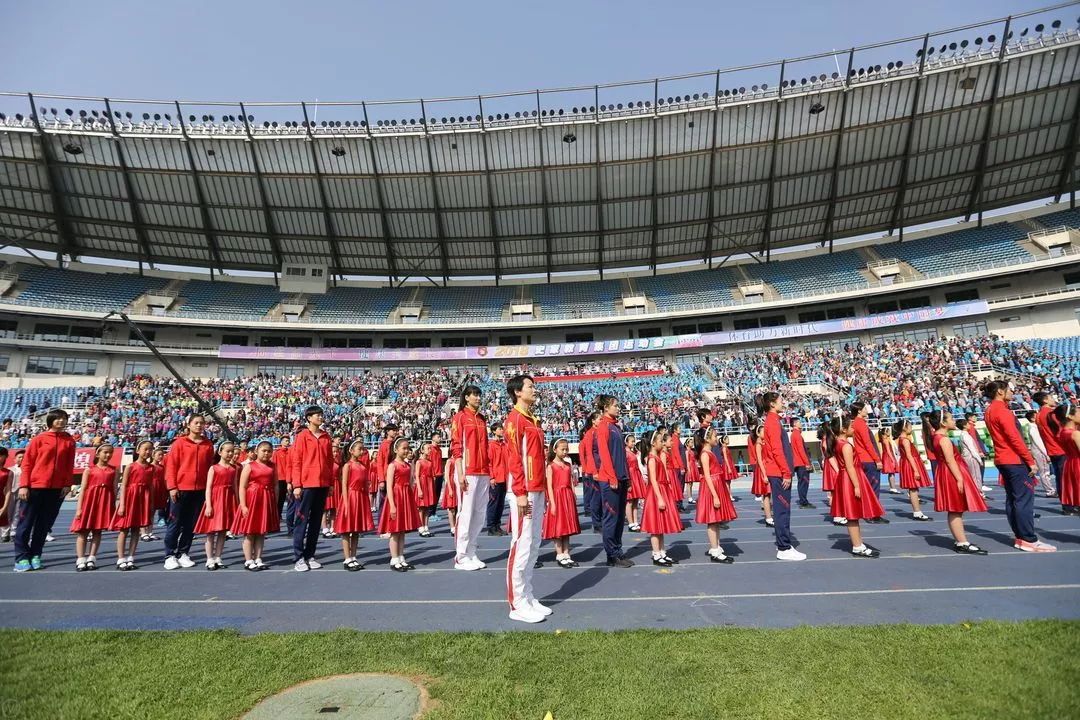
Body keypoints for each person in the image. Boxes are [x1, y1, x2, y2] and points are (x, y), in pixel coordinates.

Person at [982, 380, 1056, 552]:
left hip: (1003, 460)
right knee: (1024, 500)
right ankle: (1028, 538)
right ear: (1000, 391)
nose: (1011, 392)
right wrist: (1029, 460)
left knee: (1013, 499)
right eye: (1008, 390)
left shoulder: (989, 410)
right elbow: (1014, 438)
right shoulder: (1003, 411)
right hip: (1014, 460)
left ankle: (1021, 537)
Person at [504, 374, 550, 624]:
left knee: (534, 544)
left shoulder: (533, 419)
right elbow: (513, 458)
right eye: (530, 386)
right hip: (525, 490)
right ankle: (517, 603)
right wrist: (520, 493)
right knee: (521, 544)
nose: (535, 389)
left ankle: (529, 596)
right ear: (518, 392)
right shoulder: (515, 420)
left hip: (538, 487)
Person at [14, 409, 75, 572]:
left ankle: (35, 555)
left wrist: (67, 484)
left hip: (56, 489)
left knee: (44, 525)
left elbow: (69, 465)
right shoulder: (39, 439)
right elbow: (27, 463)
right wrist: (24, 485)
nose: (61, 421)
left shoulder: (69, 441)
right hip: (34, 487)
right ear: (50, 420)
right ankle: (21, 557)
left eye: (64, 418)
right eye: (58, 418)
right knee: (25, 524)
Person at [929, 411, 989, 554]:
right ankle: (962, 542)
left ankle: (961, 541)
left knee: (955, 509)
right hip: (951, 474)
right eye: (951, 418)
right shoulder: (943, 439)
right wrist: (959, 479)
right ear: (943, 422)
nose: (954, 421)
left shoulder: (937, 437)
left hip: (947, 472)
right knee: (956, 509)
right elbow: (950, 460)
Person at [163, 414, 215, 570]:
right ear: (189, 425)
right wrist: (172, 487)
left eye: (202, 423)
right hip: (181, 489)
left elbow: (210, 467)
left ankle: (183, 552)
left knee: (190, 524)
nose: (199, 425)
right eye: (196, 423)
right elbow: (171, 466)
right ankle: (169, 555)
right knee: (175, 523)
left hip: (199, 490)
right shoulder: (180, 443)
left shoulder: (208, 444)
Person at [828, 416, 884, 557]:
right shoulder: (845, 445)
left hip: (846, 479)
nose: (854, 429)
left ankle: (858, 543)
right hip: (849, 480)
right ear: (843, 429)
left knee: (854, 515)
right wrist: (857, 486)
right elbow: (849, 467)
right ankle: (857, 546)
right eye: (851, 427)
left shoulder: (839, 443)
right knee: (852, 516)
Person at [759, 392, 805, 561]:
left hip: (779, 472)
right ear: (772, 404)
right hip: (779, 473)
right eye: (780, 401)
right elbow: (777, 451)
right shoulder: (772, 422)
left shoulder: (773, 421)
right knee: (782, 510)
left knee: (783, 509)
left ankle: (785, 544)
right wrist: (786, 473)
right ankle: (783, 547)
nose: (783, 403)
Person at [450, 385, 491, 571]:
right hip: (467, 471)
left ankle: (472, 552)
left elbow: (486, 447)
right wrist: (460, 472)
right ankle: (460, 556)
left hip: (483, 471)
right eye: (474, 394)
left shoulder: (482, 419)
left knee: (479, 514)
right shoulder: (460, 417)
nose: (477, 397)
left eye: (478, 394)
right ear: (466, 397)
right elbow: (456, 446)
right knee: (466, 514)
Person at [290, 406, 335, 572]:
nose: (321, 417)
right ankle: (299, 557)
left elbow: (330, 462)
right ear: (309, 418)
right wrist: (297, 485)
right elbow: (297, 461)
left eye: (322, 415)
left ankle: (310, 555)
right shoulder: (302, 436)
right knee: (301, 521)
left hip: (322, 484)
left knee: (316, 522)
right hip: (306, 485)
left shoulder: (325, 436)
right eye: (318, 415)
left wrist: (330, 483)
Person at [593, 394, 634, 568]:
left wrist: (626, 476)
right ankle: (612, 554)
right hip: (611, 479)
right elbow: (604, 454)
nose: (618, 408)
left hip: (621, 477)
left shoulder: (615, 427)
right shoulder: (603, 427)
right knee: (611, 518)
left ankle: (618, 550)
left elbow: (621, 456)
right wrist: (611, 477)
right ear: (606, 408)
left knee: (619, 519)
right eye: (615, 405)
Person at [70, 443, 119, 571]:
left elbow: (114, 489)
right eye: (105, 452)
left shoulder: (113, 470)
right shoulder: (89, 470)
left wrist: (113, 506)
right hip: (89, 502)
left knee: (97, 531)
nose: (108, 455)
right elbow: (84, 489)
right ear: (98, 454)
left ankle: (92, 557)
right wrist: (79, 508)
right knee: (83, 531)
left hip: (104, 503)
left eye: (110, 452)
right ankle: (80, 559)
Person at [230, 441, 279, 570]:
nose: (266, 453)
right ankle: (248, 560)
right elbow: (242, 486)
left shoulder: (273, 466)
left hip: (266, 499)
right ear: (257, 451)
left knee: (261, 532)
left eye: (269, 451)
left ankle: (258, 557)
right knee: (249, 532)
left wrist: (274, 501)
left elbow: (275, 485)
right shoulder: (249, 466)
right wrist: (243, 505)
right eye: (264, 450)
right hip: (252, 499)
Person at [110, 440, 155, 571]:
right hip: (130, 498)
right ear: (138, 450)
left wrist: (151, 503)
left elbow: (151, 486)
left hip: (142, 500)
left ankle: (131, 557)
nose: (148, 452)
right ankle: (121, 558)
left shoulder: (151, 468)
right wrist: (122, 503)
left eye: (150, 449)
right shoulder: (131, 466)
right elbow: (123, 485)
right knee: (124, 529)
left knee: (136, 530)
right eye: (145, 449)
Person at [194, 441, 239, 571]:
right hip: (215, 500)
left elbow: (235, 487)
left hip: (228, 501)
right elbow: (208, 488)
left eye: (232, 451)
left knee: (223, 531)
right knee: (210, 532)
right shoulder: (213, 468)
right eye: (227, 451)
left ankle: (218, 557)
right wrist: (208, 505)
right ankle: (209, 558)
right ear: (220, 452)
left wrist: (237, 503)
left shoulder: (233, 469)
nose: (230, 454)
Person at [641, 428, 682, 566]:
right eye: (659, 440)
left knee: (661, 525)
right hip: (656, 492)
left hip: (662, 489)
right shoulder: (652, 459)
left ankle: (662, 552)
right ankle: (656, 554)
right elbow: (653, 480)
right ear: (653, 443)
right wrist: (659, 497)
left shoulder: (657, 456)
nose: (661, 442)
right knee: (655, 527)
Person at [379, 437, 421, 572]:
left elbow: (410, 482)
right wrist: (392, 504)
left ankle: (401, 556)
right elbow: (389, 487)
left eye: (408, 448)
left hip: (405, 498)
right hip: (396, 498)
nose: (406, 450)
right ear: (396, 450)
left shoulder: (407, 465)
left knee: (402, 531)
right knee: (395, 531)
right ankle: (394, 558)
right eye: (403, 448)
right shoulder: (392, 465)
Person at [696, 426, 736, 563]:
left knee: (716, 521)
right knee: (712, 521)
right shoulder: (705, 454)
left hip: (717, 485)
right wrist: (715, 495)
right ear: (707, 439)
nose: (716, 438)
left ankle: (717, 547)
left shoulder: (710, 452)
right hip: (711, 488)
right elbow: (706, 476)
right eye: (714, 436)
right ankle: (714, 550)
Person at [542, 438, 580, 568]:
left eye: (566, 449)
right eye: (562, 449)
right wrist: (552, 503)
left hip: (567, 497)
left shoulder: (568, 465)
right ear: (555, 450)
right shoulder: (551, 466)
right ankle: (559, 554)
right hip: (557, 497)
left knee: (567, 527)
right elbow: (549, 486)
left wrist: (573, 494)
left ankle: (566, 553)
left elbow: (570, 482)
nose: (565, 452)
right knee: (558, 526)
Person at [336, 440, 373, 570]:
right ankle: (347, 559)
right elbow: (344, 485)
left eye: (363, 449)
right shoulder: (348, 466)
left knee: (356, 530)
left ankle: (354, 557)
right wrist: (345, 503)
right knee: (347, 530)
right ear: (351, 451)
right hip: (351, 497)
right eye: (359, 449)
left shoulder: (363, 465)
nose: (362, 451)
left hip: (361, 498)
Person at [849, 401, 885, 518]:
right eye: (864, 408)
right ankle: (873, 514)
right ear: (859, 411)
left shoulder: (855, 424)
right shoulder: (861, 424)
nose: (866, 410)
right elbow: (868, 443)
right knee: (873, 487)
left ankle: (867, 511)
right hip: (868, 459)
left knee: (866, 487)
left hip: (861, 458)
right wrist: (877, 459)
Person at [1034, 391, 1068, 509]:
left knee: (1060, 478)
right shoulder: (1051, 414)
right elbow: (1061, 431)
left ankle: (1066, 503)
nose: (1053, 399)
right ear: (1045, 400)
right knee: (1066, 478)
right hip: (1061, 448)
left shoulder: (1038, 416)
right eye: (1051, 398)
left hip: (1051, 449)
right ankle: (1069, 504)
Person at [893, 419, 931, 521]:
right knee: (913, 489)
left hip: (908, 463)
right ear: (905, 428)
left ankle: (917, 511)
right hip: (910, 464)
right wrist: (916, 470)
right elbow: (909, 456)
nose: (911, 428)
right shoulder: (905, 440)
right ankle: (917, 512)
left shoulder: (902, 439)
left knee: (914, 489)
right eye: (910, 426)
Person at [1049, 403, 1080, 516]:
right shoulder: (1075, 434)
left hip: (1071, 464)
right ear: (1070, 416)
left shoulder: (1062, 433)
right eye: (1078, 412)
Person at [818, 423, 845, 526]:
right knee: (835, 491)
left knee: (835, 492)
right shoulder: (826, 442)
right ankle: (837, 515)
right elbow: (830, 456)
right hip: (832, 467)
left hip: (830, 466)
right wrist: (837, 469)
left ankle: (838, 514)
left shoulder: (825, 441)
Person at [579, 413, 602, 533]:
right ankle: (597, 523)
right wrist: (593, 471)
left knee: (604, 497)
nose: (602, 420)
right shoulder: (589, 434)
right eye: (600, 419)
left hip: (603, 469)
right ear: (593, 421)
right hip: (594, 470)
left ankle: (602, 520)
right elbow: (588, 454)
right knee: (595, 498)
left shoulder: (602, 432)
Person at [1025, 411, 1055, 497]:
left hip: (1040, 451)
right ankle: (1050, 491)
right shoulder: (1033, 429)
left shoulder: (1035, 427)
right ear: (1032, 418)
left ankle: (1050, 489)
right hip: (1040, 451)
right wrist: (1046, 454)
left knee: (1045, 471)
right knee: (1045, 472)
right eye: (1036, 415)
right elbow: (1039, 442)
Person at [485, 423, 508, 536]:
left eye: (502, 428)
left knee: (501, 503)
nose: (501, 430)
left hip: (504, 478)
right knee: (493, 502)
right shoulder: (491, 445)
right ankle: (491, 526)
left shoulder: (504, 445)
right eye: (499, 429)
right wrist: (492, 477)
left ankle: (497, 525)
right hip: (496, 478)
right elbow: (489, 462)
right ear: (494, 431)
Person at [748, 424, 773, 527]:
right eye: (763, 431)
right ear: (758, 433)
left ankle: (769, 515)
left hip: (768, 468)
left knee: (769, 494)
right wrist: (764, 474)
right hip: (763, 469)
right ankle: (768, 517)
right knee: (766, 494)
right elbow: (759, 459)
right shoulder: (758, 444)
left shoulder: (764, 442)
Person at [790, 418, 815, 508]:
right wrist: (807, 462)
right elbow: (801, 450)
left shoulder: (794, 434)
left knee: (802, 482)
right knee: (804, 482)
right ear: (795, 424)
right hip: (801, 462)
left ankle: (803, 500)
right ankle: (803, 501)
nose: (801, 423)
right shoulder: (797, 435)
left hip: (798, 462)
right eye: (800, 422)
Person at [625, 434, 646, 532]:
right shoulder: (625, 453)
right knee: (629, 501)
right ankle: (630, 523)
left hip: (636, 476)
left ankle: (636, 521)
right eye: (631, 441)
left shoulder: (634, 452)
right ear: (626, 442)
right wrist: (628, 482)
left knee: (635, 501)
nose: (633, 443)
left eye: (634, 441)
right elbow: (625, 468)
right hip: (631, 476)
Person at [415, 440, 436, 537]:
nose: (430, 450)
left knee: (427, 507)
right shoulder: (419, 462)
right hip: (422, 484)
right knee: (421, 508)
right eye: (428, 449)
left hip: (429, 484)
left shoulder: (430, 462)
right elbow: (417, 476)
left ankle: (426, 526)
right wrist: (419, 489)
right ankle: (421, 527)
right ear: (422, 451)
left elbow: (432, 475)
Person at [2, 449, 23, 542]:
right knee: (7, 513)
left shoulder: (27, 469)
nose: (21, 459)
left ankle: (13, 532)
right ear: (15, 459)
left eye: (23, 457)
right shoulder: (10, 469)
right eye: (19, 457)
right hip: (10, 493)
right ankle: (4, 533)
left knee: (17, 514)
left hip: (21, 493)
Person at [272, 436, 292, 531]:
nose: (287, 442)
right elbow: (273, 465)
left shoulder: (290, 452)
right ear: (281, 442)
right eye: (286, 440)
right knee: (279, 501)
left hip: (289, 479)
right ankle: (276, 520)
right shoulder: (277, 452)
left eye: (288, 440)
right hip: (280, 479)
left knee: (289, 501)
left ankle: (289, 523)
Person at [879, 427, 901, 494]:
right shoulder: (886, 440)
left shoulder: (883, 440)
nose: (889, 433)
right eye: (888, 431)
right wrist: (893, 460)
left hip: (886, 456)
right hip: (888, 457)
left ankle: (892, 487)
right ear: (885, 432)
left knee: (891, 473)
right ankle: (893, 488)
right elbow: (888, 451)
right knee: (892, 473)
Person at [428, 432, 444, 523]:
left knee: (437, 495)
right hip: (433, 475)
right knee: (432, 495)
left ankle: (434, 513)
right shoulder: (430, 449)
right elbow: (430, 463)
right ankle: (430, 513)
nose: (440, 438)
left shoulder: (439, 450)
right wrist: (432, 474)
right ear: (433, 438)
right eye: (438, 437)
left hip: (439, 475)